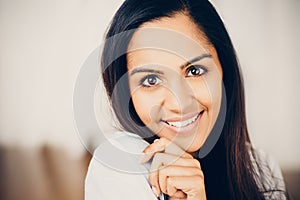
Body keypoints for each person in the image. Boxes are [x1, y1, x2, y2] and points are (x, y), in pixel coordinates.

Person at [85, 0, 288, 199]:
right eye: (151, 80)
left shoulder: (260, 166)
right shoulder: (121, 162)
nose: (179, 103)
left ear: (222, 69)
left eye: (194, 70)